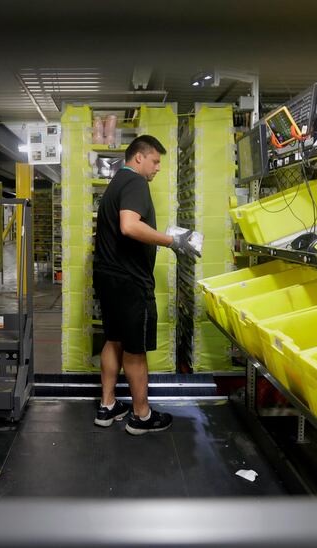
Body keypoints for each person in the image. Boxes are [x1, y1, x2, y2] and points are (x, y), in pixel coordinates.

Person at [92, 134, 200, 435]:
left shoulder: (116, 184)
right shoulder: (135, 182)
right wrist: (172, 241)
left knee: (113, 338)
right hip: (130, 282)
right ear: (139, 157)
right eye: (155, 161)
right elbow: (129, 225)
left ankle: (108, 405)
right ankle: (141, 415)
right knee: (135, 349)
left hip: (108, 277)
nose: (157, 168)